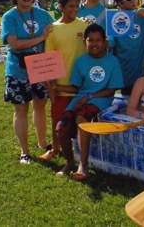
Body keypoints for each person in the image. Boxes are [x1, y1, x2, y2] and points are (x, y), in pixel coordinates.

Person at [52, 23, 124, 178]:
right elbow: (76, 87)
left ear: (105, 42)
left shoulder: (112, 61)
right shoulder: (80, 61)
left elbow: (112, 90)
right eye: (90, 40)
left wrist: (89, 97)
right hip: (80, 99)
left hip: (101, 99)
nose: (94, 44)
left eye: (98, 40)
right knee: (60, 128)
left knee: (81, 117)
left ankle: (82, 166)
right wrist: (57, 87)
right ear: (84, 41)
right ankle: (70, 162)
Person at [1, 0, 55, 164]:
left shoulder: (43, 14)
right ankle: (25, 151)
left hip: (42, 66)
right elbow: (14, 43)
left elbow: (56, 34)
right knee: (21, 110)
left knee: (41, 106)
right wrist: (40, 38)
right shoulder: (9, 16)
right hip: (18, 69)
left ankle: (43, 143)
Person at [38, 0, 88, 162]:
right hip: (60, 86)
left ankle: (81, 151)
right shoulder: (52, 30)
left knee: (80, 120)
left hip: (82, 86)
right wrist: (52, 89)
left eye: (77, 5)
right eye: (70, 6)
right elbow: (49, 60)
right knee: (57, 118)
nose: (74, 9)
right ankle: (55, 148)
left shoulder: (85, 26)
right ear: (60, 7)